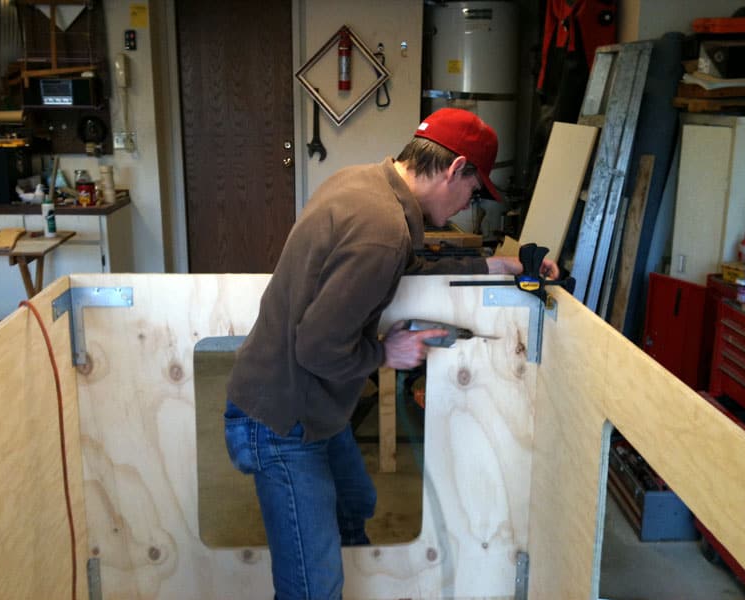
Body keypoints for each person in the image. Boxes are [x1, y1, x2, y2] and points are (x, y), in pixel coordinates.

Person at [224, 107, 559, 599]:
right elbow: (317, 346)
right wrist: (386, 353)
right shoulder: (383, 227)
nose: (471, 203)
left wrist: (498, 264)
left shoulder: (364, 184)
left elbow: (406, 262)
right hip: (282, 419)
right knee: (313, 589)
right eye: (474, 188)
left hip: (305, 403)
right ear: (454, 167)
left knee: (355, 500)